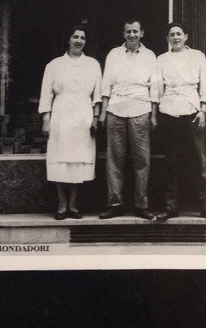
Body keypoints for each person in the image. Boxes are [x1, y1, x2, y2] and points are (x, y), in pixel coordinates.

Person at [156, 22, 206, 222]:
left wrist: (203, 110)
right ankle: (171, 207)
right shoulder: (161, 59)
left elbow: (204, 84)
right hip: (169, 112)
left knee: (199, 161)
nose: (175, 38)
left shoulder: (198, 56)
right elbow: (158, 88)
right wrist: (160, 110)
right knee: (171, 162)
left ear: (186, 36)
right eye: (171, 35)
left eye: (179, 34)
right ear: (167, 39)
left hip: (193, 112)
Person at [38, 25, 102, 220]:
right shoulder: (54, 65)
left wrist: (96, 118)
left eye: (82, 38)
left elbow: (97, 95)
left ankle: (73, 205)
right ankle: (61, 205)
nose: (78, 41)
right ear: (68, 39)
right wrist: (46, 119)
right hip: (61, 114)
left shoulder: (92, 64)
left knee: (77, 160)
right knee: (60, 159)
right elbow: (46, 94)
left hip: (83, 114)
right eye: (75, 37)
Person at [99, 19, 158, 220]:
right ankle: (115, 204)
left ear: (142, 33)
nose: (132, 35)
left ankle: (141, 205)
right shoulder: (113, 54)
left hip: (141, 109)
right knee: (115, 160)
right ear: (123, 34)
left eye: (135, 31)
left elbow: (155, 86)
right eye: (128, 31)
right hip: (115, 109)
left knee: (142, 160)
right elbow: (106, 83)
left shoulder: (150, 55)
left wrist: (154, 114)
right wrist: (103, 111)